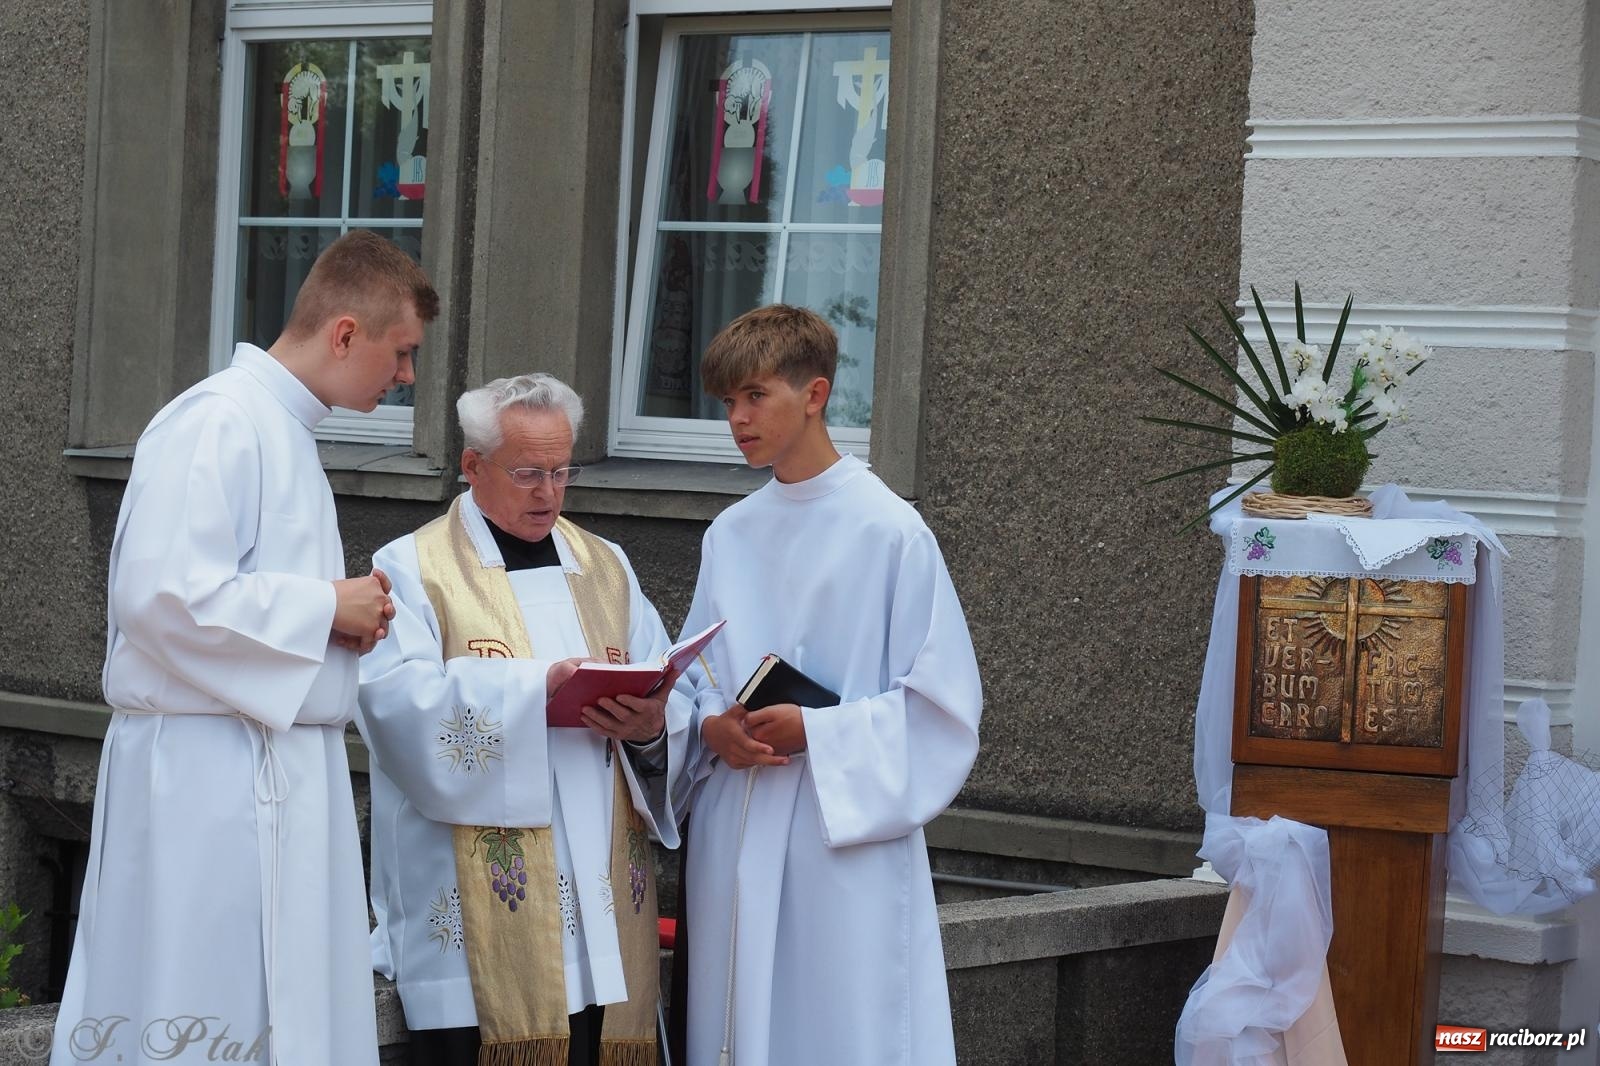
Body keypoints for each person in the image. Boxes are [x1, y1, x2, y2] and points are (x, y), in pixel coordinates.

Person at [51, 230, 436, 1066]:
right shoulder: (217, 420)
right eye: (400, 353)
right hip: (205, 778)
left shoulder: (285, 429)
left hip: (274, 765)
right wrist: (326, 606)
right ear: (344, 333)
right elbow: (163, 596)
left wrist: (344, 624)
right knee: (198, 996)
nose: (405, 376)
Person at [356, 373, 695, 1066]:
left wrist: (651, 726)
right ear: (473, 465)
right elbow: (393, 703)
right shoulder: (413, 568)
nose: (548, 492)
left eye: (562, 471)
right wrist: (533, 690)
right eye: (529, 473)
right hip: (485, 926)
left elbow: (670, 689)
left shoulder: (606, 566)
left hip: (602, 914)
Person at [679, 304, 984, 1066]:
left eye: (755, 397)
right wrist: (713, 727)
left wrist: (818, 730)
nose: (738, 420)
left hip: (840, 832)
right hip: (739, 824)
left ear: (814, 395)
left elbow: (944, 707)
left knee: (841, 1029)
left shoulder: (889, 531)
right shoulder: (731, 533)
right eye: (727, 404)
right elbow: (696, 678)